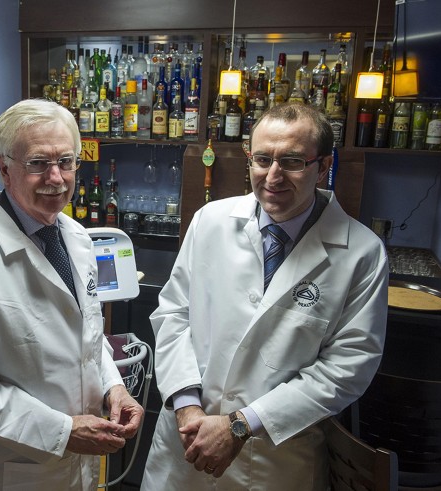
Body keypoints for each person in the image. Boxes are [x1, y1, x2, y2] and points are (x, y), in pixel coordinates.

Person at [141, 103, 388, 490]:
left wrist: (241, 424)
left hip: (275, 460)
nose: (273, 176)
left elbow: (347, 368)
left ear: (323, 166)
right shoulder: (211, 220)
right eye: (262, 159)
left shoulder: (361, 252)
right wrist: (187, 405)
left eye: (292, 161)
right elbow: (173, 314)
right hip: (185, 442)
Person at [0, 98, 143, 490]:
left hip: (76, 463)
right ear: (4, 168)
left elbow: (88, 340)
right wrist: (62, 431)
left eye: (67, 161)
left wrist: (115, 387)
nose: (56, 178)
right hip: (8, 469)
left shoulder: (74, 236)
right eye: (38, 163)